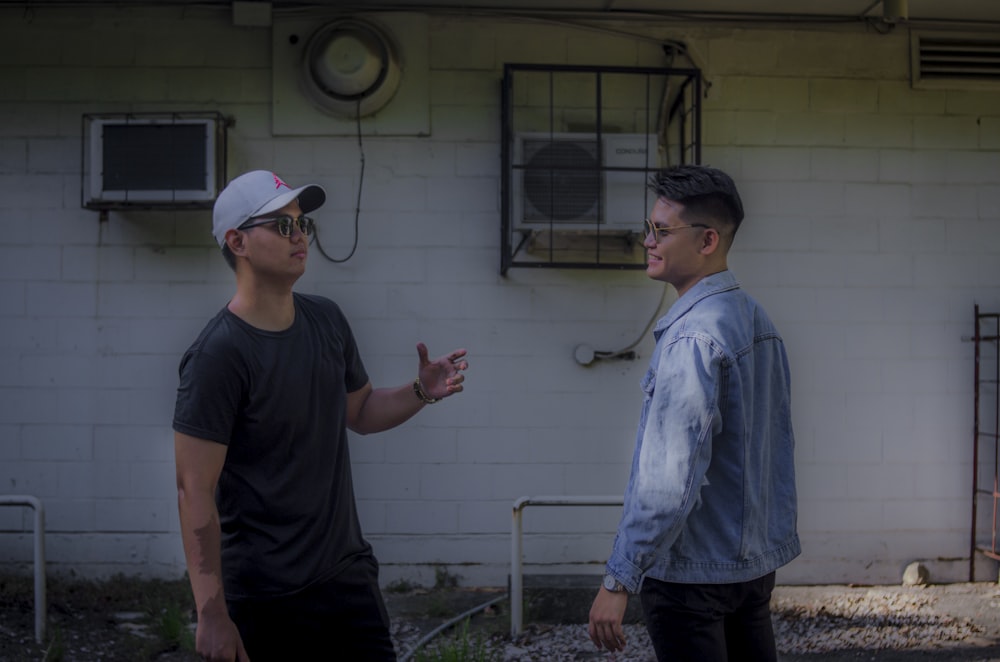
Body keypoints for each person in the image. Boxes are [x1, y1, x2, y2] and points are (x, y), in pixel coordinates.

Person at [173, 170, 468, 662]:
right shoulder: (217, 354)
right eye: (282, 225)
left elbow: (361, 410)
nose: (300, 236)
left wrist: (421, 390)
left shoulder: (326, 319)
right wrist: (211, 613)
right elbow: (193, 488)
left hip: (346, 578)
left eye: (302, 224)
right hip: (265, 595)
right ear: (237, 241)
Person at [588, 165, 800, 661]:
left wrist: (618, 578)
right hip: (750, 571)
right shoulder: (756, 319)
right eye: (648, 228)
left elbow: (669, 481)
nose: (647, 240)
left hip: (690, 580)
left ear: (707, 241)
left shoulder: (691, 338)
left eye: (661, 231)